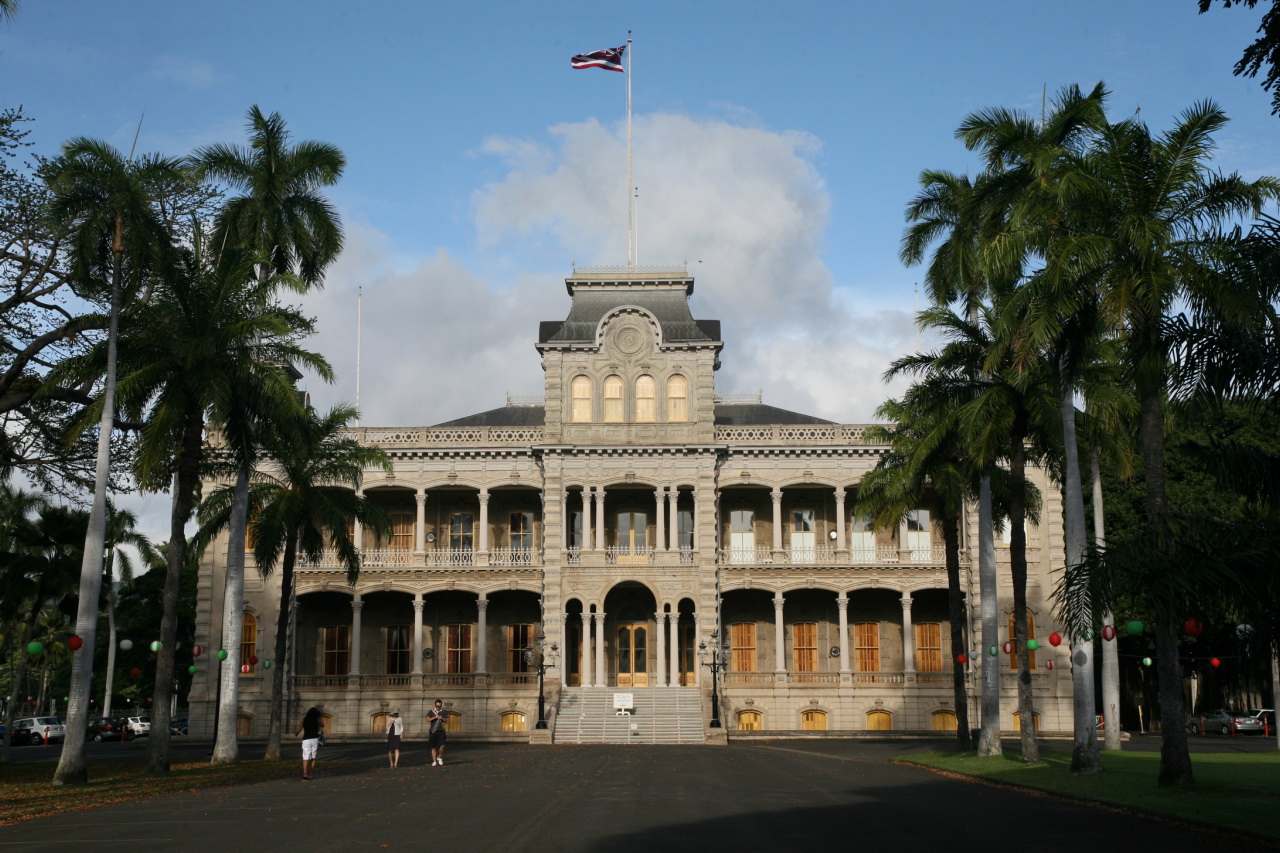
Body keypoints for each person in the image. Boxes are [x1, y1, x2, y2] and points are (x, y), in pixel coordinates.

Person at [296, 706, 323, 781]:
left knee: (305, 757)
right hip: (314, 740)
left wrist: (296, 733)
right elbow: (322, 725)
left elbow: (299, 728)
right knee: (313, 757)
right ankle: (311, 774)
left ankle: (305, 774)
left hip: (306, 740)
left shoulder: (305, 720)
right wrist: (319, 716)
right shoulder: (317, 720)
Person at [425, 699, 447, 766]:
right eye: (437, 706)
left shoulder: (443, 712)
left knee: (442, 745)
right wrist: (435, 717)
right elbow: (427, 719)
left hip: (441, 730)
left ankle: (439, 757)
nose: (438, 707)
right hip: (433, 731)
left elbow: (446, 721)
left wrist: (442, 718)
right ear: (435, 705)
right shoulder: (431, 712)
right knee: (433, 746)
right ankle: (434, 761)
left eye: (439, 706)